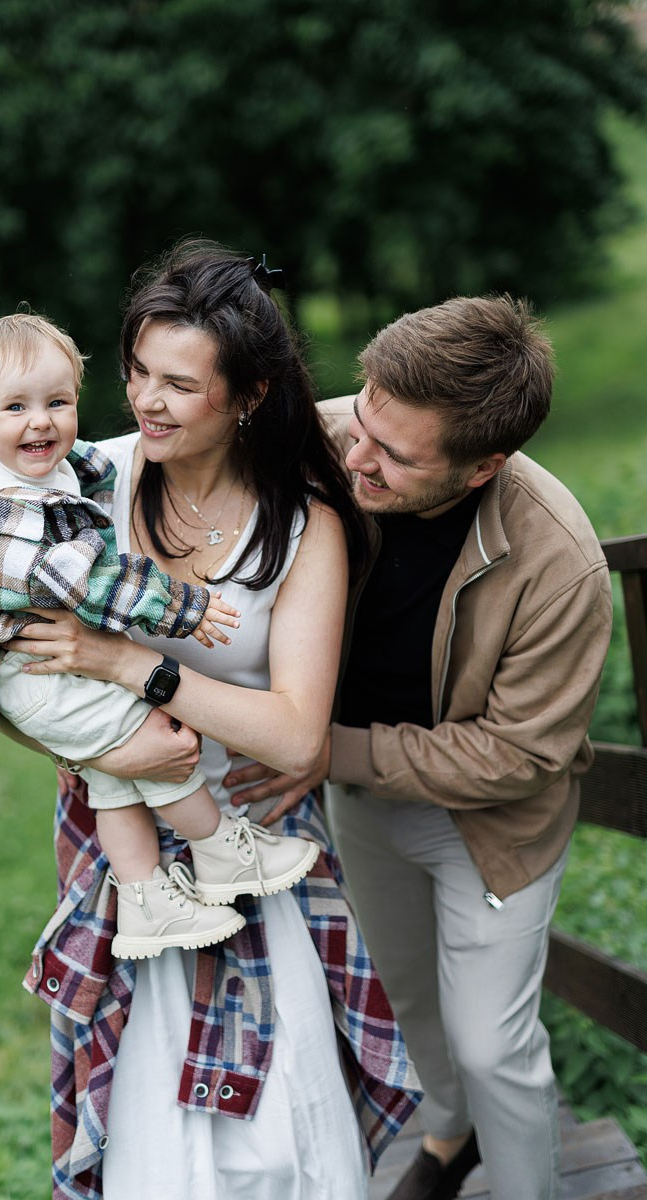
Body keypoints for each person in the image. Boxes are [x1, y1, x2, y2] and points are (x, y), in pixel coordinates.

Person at [1, 240, 423, 1199]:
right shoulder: (85, 486)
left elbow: (294, 737)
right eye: (137, 372)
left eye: (179, 384)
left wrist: (126, 665)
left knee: (279, 1128)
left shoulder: (301, 523)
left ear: (249, 396)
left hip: (257, 835)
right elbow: (13, 660)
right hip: (128, 846)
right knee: (153, 1118)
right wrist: (99, 746)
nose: (145, 401)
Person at [226, 295, 614, 1200]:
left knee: (493, 1044)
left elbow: (520, 754)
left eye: (395, 456)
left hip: (490, 827)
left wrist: (330, 753)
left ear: (483, 467)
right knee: (405, 998)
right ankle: (448, 1141)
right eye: (360, 417)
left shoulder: (560, 562)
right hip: (363, 800)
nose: (354, 456)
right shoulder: (329, 438)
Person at [0, 311, 320, 961]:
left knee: (121, 775)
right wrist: (179, 607)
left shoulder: (60, 466)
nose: (41, 422)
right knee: (158, 741)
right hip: (32, 674)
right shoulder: (2, 504)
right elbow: (86, 580)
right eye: (17, 407)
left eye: (58, 402)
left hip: (43, 675)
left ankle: (143, 897)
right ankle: (219, 849)